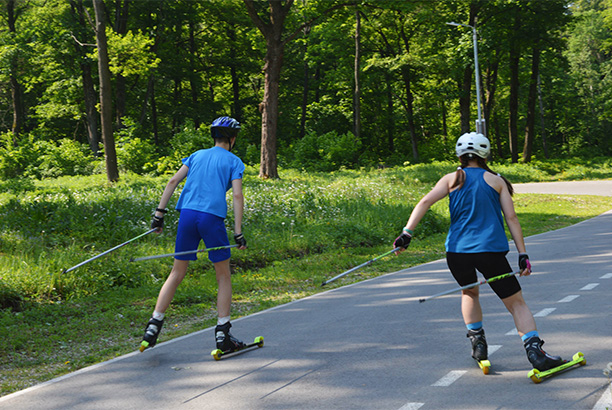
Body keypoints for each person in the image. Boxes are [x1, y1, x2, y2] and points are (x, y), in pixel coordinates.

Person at [393, 132, 565, 371]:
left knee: (469, 293)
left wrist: (407, 234)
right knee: (516, 303)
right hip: (490, 251)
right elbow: (512, 218)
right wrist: (523, 254)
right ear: (486, 154)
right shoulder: (497, 181)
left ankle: (478, 344)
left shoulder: (451, 178)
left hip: (457, 252)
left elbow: (424, 202)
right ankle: (535, 353)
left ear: (459, 154)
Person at [140, 116, 248, 353]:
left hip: (187, 216)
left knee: (177, 272)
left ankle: (154, 324)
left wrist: (159, 215)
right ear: (233, 138)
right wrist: (238, 233)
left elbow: (172, 181)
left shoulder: (197, 155)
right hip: (211, 218)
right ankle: (223, 333)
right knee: (223, 275)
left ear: (214, 137)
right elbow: (237, 196)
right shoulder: (234, 161)